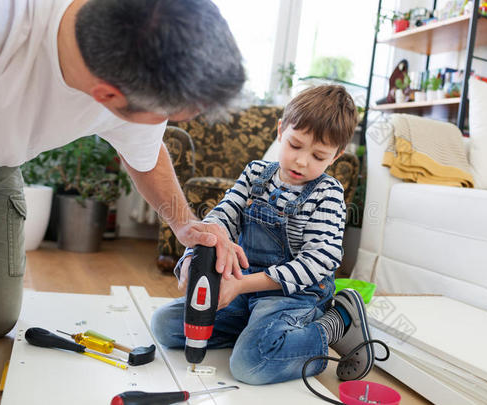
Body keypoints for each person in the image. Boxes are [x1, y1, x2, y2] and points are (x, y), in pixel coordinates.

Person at [0, 0, 249, 339]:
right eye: (166, 116)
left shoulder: (131, 65)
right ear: (106, 95)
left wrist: (186, 223)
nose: (162, 125)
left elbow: (144, 157)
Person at [151, 85, 374, 385]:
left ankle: (336, 324)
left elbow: (317, 262)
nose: (301, 161)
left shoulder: (328, 195)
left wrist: (241, 285)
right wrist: (194, 258)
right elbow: (221, 218)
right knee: (164, 325)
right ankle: (256, 328)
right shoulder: (256, 174)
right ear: (281, 131)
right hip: (242, 291)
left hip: (293, 296)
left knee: (249, 364)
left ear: (336, 155)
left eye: (318, 156)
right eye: (295, 145)